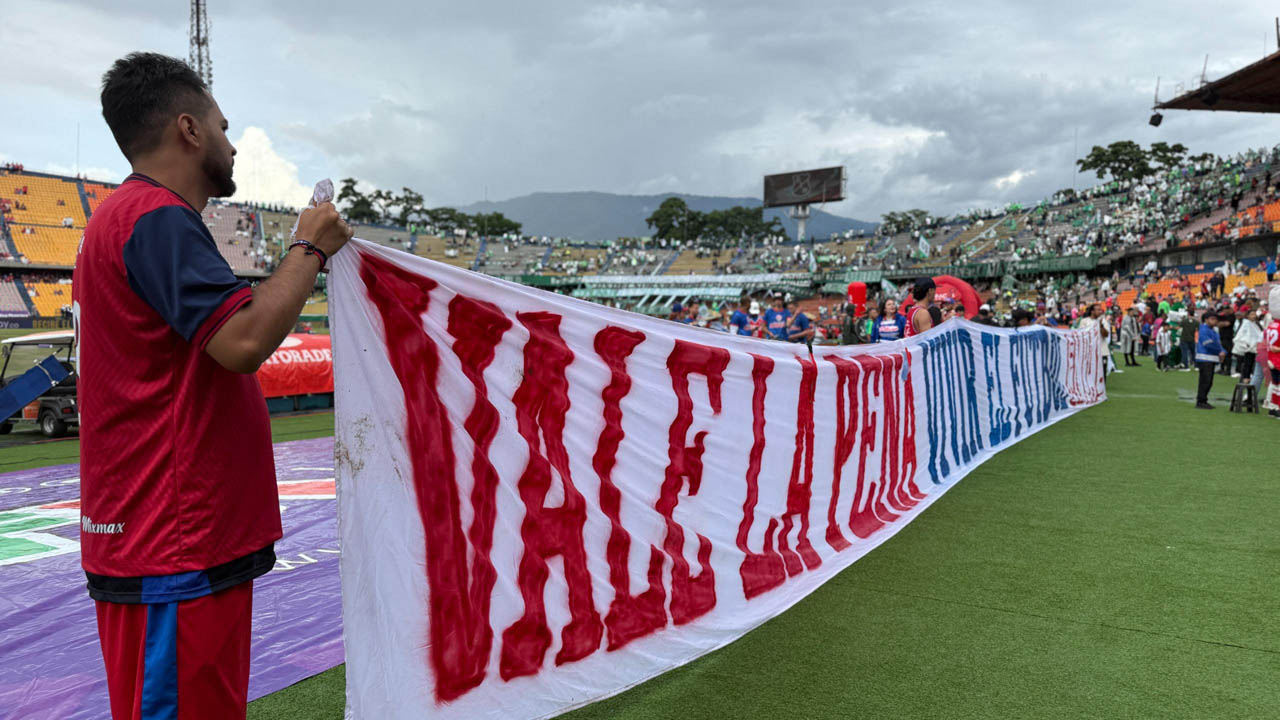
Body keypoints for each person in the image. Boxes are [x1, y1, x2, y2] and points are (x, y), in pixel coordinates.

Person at [75, 53, 352, 719]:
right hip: (169, 540)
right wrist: (307, 248)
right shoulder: (153, 216)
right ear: (189, 130)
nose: (232, 145)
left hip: (179, 539)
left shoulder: (133, 217)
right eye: (224, 128)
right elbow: (244, 342)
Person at [1194, 312, 1226, 409]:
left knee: (1208, 381)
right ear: (1206, 319)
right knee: (1205, 381)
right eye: (1212, 319)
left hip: (1209, 358)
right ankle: (1201, 401)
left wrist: (1222, 351)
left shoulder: (1213, 330)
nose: (1215, 321)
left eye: (1215, 319)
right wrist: (1220, 351)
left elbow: (1217, 343)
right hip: (1205, 358)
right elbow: (1208, 343)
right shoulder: (1204, 329)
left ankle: (1203, 400)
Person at [1231, 307, 1262, 381]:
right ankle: (1245, 377)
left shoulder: (1255, 324)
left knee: (1251, 362)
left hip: (1253, 347)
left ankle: (1248, 376)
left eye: (1254, 314)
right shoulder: (1246, 323)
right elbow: (1241, 334)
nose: (1253, 316)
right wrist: (1245, 343)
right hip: (1247, 347)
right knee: (1247, 363)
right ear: (1248, 316)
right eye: (1252, 314)